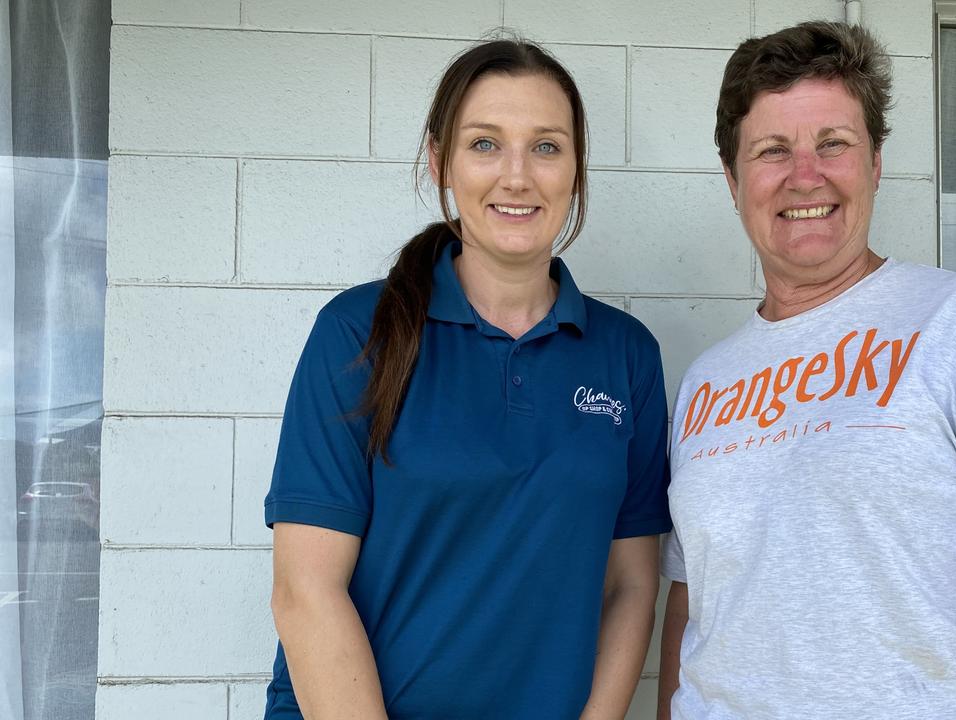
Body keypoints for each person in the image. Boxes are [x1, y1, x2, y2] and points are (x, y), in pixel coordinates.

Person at [658, 22, 956, 720]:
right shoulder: (705, 382)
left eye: (834, 144)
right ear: (734, 180)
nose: (805, 175)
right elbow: (692, 604)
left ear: (875, 163)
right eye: (773, 150)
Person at [263, 38, 671, 719]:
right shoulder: (357, 332)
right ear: (439, 161)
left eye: (546, 146)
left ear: (576, 168)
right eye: (485, 144)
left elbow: (630, 588)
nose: (517, 176)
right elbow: (305, 591)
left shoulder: (625, 356)